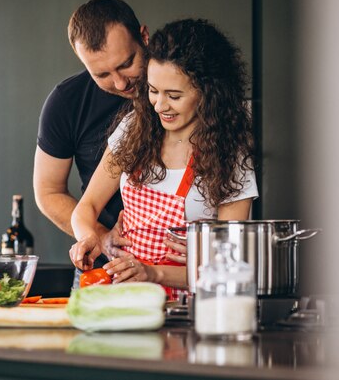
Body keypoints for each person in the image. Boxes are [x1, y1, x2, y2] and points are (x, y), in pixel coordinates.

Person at [70, 19, 259, 298]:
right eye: (153, 91)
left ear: (209, 93)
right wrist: (89, 237)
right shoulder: (134, 128)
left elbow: (227, 266)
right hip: (131, 302)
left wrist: (152, 272)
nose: (159, 105)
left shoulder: (230, 153)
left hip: (191, 311)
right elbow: (86, 208)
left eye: (174, 95)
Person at [33, 0, 149, 284]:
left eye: (127, 64)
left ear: (144, 38)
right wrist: (99, 237)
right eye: (102, 75)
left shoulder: (179, 88)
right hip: (103, 269)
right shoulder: (67, 102)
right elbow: (48, 192)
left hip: (175, 268)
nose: (121, 83)